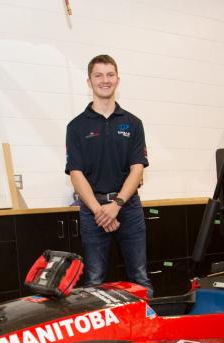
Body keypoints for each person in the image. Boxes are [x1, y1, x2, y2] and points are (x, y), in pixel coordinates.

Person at [65, 54, 152, 296]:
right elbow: (76, 173)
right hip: (93, 211)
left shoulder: (133, 123)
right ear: (89, 82)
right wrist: (99, 210)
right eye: (99, 75)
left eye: (110, 75)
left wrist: (117, 205)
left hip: (128, 208)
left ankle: (147, 320)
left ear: (117, 80)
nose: (105, 80)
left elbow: (137, 169)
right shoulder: (76, 126)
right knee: (94, 280)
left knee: (140, 277)